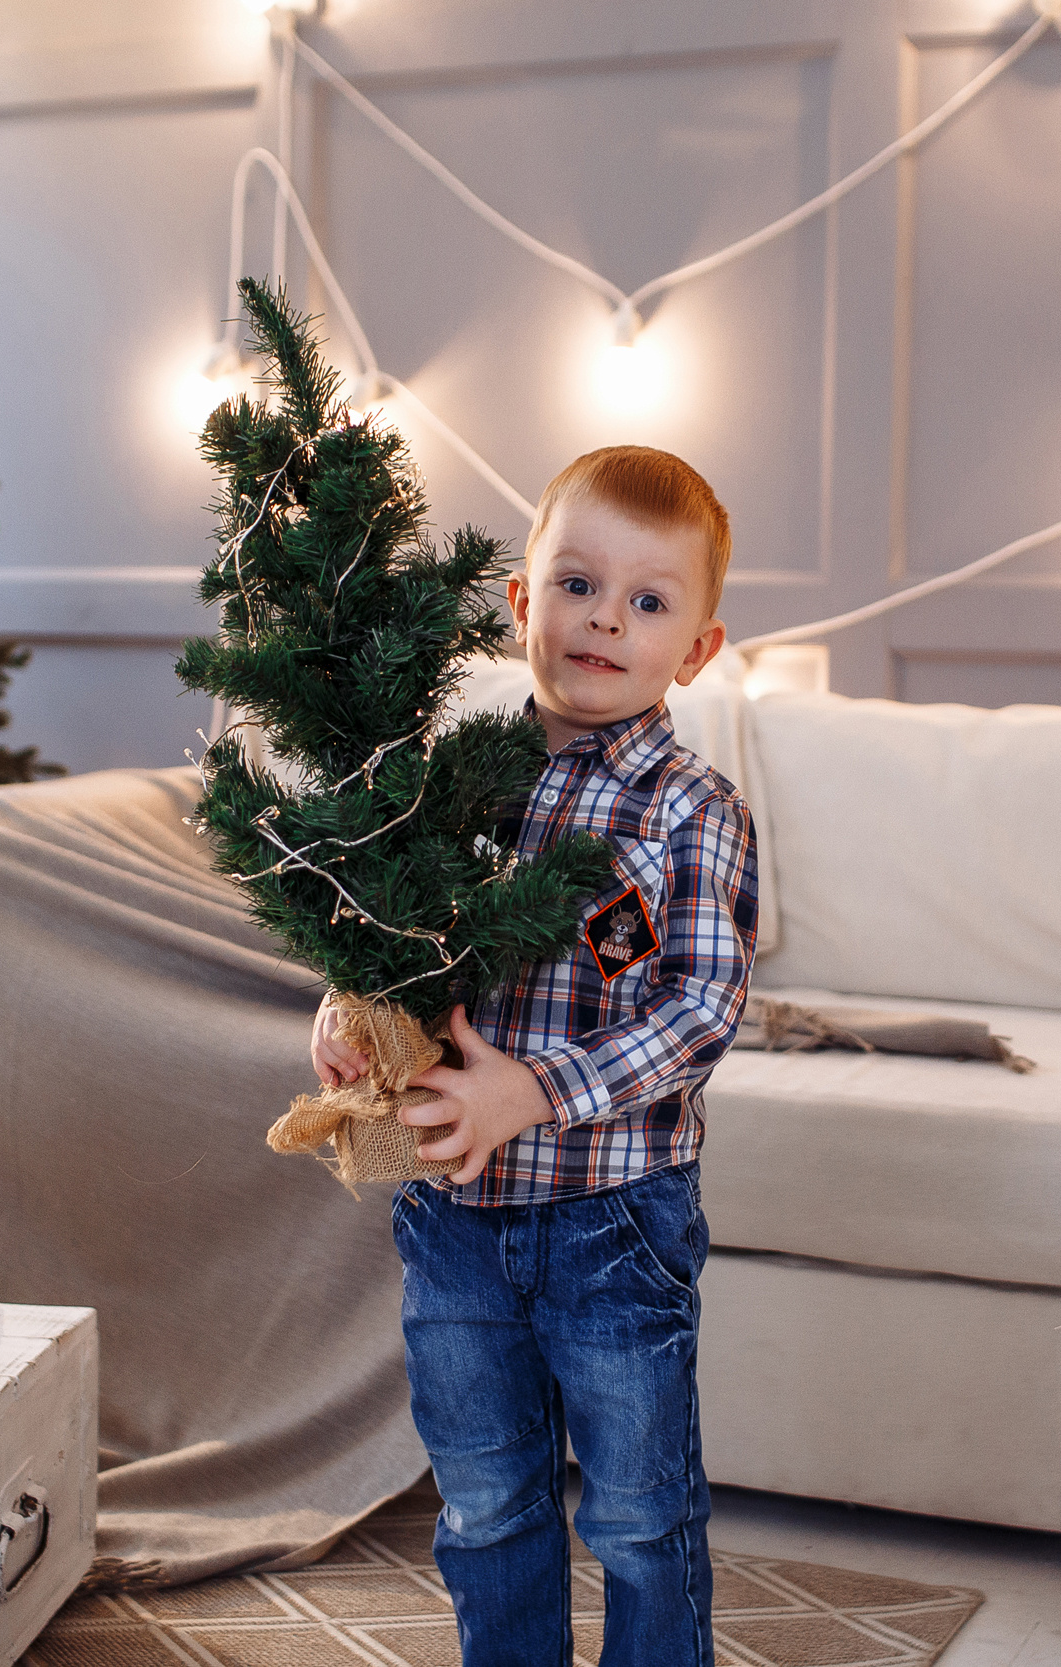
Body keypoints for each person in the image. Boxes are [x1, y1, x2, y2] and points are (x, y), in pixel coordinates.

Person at [310, 444, 757, 1665]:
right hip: (454, 1219)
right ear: (520, 602)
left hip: (615, 1217)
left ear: (696, 649)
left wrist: (535, 1088)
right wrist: (352, 1015)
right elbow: (389, 937)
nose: (605, 617)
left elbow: (702, 1003)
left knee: (637, 1510)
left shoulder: (688, 806)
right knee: (487, 1500)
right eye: (576, 583)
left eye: (648, 600)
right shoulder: (449, 789)